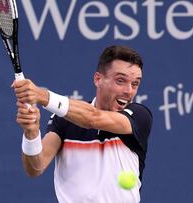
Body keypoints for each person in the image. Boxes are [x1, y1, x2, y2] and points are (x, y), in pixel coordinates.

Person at [12, 45, 153, 203]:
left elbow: (93, 118)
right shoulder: (64, 119)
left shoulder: (139, 116)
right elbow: (35, 167)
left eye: (135, 84)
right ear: (98, 79)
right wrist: (31, 133)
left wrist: (42, 95)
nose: (129, 91)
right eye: (120, 81)